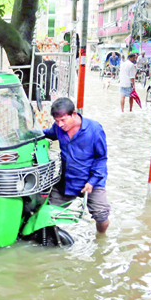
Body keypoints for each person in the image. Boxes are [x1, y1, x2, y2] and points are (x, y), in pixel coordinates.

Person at [42, 98, 110, 234]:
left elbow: (101, 158)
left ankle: (101, 238)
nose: (60, 124)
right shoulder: (58, 128)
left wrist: (92, 182)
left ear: (73, 114)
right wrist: (27, 134)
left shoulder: (95, 129)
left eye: (63, 120)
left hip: (91, 181)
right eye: (57, 121)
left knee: (101, 214)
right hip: (67, 181)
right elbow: (48, 133)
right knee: (48, 215)